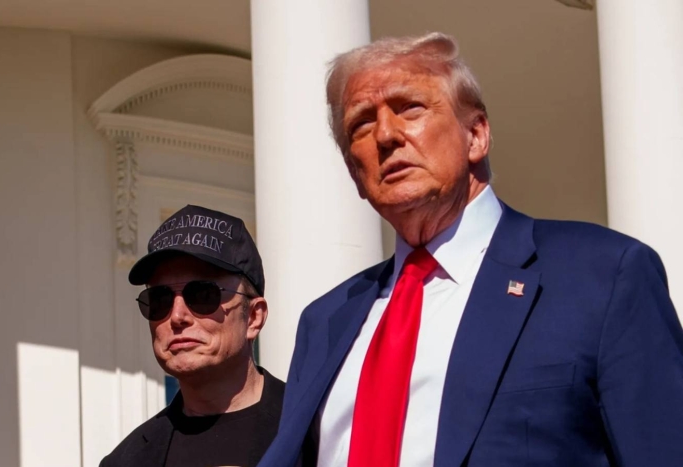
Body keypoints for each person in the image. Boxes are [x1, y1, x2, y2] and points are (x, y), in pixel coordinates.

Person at [258, 32, 683, 467]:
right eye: (362, 124)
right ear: (355, 173)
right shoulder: (326, 321)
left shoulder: (603, 275)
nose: (385, 134)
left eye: (410, 107)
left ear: (476, 135)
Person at [101, 205, 284, 467]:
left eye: (203, 294)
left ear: (253, 317)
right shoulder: (126, 461)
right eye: (160, 299)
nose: (177, 316)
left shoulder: (319, 430)